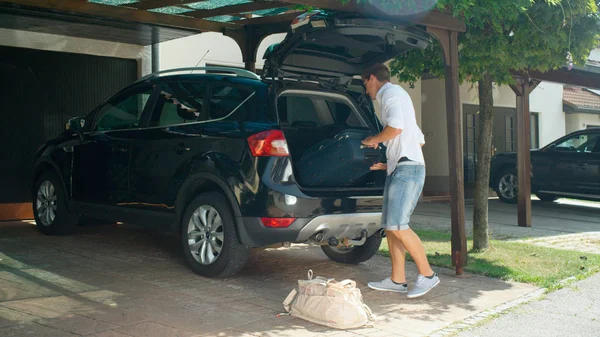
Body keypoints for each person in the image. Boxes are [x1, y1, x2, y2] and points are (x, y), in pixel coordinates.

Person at [360, 63, 440, 299]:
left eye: (365, 83)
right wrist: (391, 162)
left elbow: (395, 128)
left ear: (372, 78)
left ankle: (428, 275)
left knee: (398, 225)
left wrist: (373, 140)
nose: (366, 90)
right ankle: (397, 280)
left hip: (407, 171)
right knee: (391, 227)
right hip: (402, 167)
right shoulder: (401, 97)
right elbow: (419, 140)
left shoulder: (390, 94)